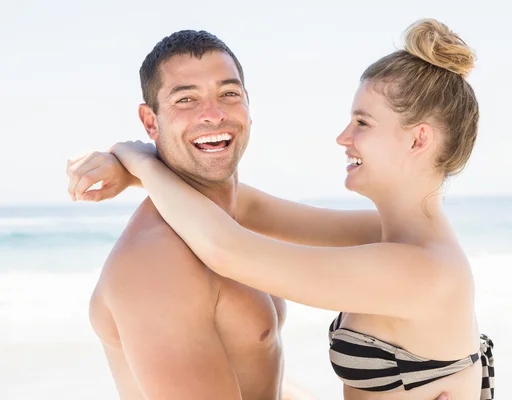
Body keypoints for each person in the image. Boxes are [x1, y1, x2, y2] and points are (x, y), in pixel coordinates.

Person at [68, 20, 489, 400]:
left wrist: (137, 158)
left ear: (418, 140)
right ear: (151, 120)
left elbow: (226, 249)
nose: (343, 137)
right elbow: (247, 206)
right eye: (186, 100)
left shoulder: (421, 269)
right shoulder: (392, 235)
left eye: (362, 122)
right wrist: (138, 171)